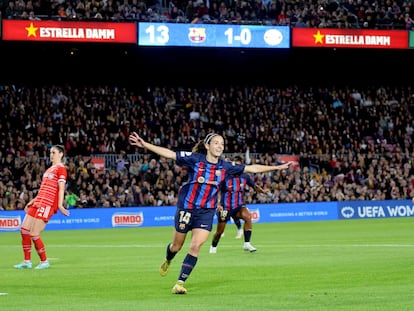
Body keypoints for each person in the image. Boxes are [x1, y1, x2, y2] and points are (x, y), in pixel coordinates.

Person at [129, 131, 292, 294]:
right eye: (216, 143)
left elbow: (252, 168)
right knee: (176, 246)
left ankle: (179, 283)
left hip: (206, 212)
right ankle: (168, 259)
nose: (220, 146)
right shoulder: (195, 159)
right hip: (187, 208)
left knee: (195, 246)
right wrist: (145, 144)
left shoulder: (225, 166)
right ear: (207, 146)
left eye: (222, 143)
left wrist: (276, 167)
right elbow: (170, 154)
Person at [14, 145, 70, 270]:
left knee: (34, 233)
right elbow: (43, 189)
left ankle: (44, 261)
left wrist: (60, 205)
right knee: (24, 229)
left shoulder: (61, 169)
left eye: (54, 152)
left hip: (47, 204)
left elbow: (61, 188)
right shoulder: (49, 169)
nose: (51, 155)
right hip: (39, 201)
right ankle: (27, 261)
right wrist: (33, 200)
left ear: (61, 154)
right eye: (50, 152)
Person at [210, 155, 270, 253]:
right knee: (219, 231)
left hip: (239, 206)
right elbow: (215, 191)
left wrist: (264, 192)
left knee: (248, 217)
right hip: (225, 207)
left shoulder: (245, 176)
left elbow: (254, 186)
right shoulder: (224, 177)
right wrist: (218, 204)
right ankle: (213, 247)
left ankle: (247, 244)